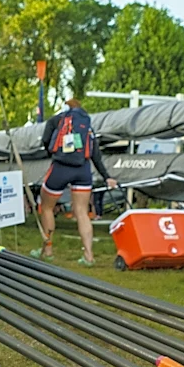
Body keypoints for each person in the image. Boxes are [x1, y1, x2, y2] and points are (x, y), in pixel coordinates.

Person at [32, 98, 117, 265]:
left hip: (61, 168)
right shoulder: (87, 124)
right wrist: (107, 176)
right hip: (83, 169)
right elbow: (95, 154)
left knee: (47, 207)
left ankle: (47, 250)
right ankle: (89, 256)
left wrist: (56, 155)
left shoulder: (57, 120)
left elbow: (45, 141)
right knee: (82, 212)